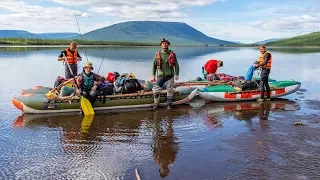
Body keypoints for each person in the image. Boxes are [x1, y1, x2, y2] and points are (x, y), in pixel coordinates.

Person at [152, 38, 179, 110]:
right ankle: (156, 103)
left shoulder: (172, 54)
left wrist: (177, 74)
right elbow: (154, 65)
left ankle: (169, 104)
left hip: (170, 76)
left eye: (166, 43)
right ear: (161, 45)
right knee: (156, 90)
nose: (164, 44)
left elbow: (176, 65)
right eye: (163, 43)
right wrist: (153, 75)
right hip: (160, 76)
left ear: (168, 45)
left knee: (170, 90)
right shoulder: (157, 54)